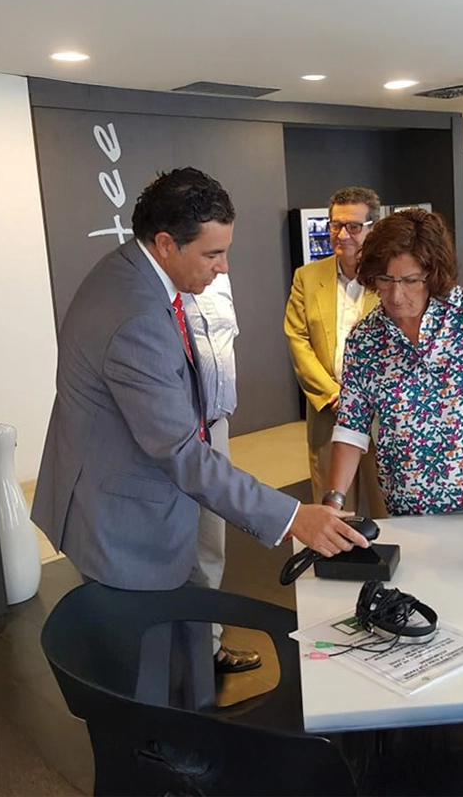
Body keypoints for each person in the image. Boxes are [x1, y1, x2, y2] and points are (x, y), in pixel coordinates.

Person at [32, 168, 368, 705]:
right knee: (140, 670)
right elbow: (179, 452)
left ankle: (192, 720)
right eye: (213, 255)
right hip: (119, 518)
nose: (223, 266)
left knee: (180, 634)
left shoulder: (131, 271)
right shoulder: (136, 314)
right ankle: (158, 758)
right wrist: (290, 516)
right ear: (166, 244)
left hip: (132, 488)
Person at [326, 208, 463, 517]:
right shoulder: (365, 339)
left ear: (433, 274)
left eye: (410, 280)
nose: (396, 295)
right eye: (385, 279)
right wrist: (332, 502)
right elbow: (351, 429)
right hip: (407, 511)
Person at [284, 187, 387, 518]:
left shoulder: (391, 279)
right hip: (329, 411)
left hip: (381, 414)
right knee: (333, 508)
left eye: (353, 227)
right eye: (335, 225)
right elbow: (297, 338)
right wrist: (332, 394)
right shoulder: (307, 277)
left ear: (373, 227)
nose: (342, 235)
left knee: (386, 504)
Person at [183, 276, 260, 674]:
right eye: (212, 253)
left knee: (210, 542)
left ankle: (207, 645)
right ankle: (168, 653)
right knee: (167, 547)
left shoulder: (221, 282)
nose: (223, 264)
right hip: (170, 433)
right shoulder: (149, 293)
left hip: (214, 427)